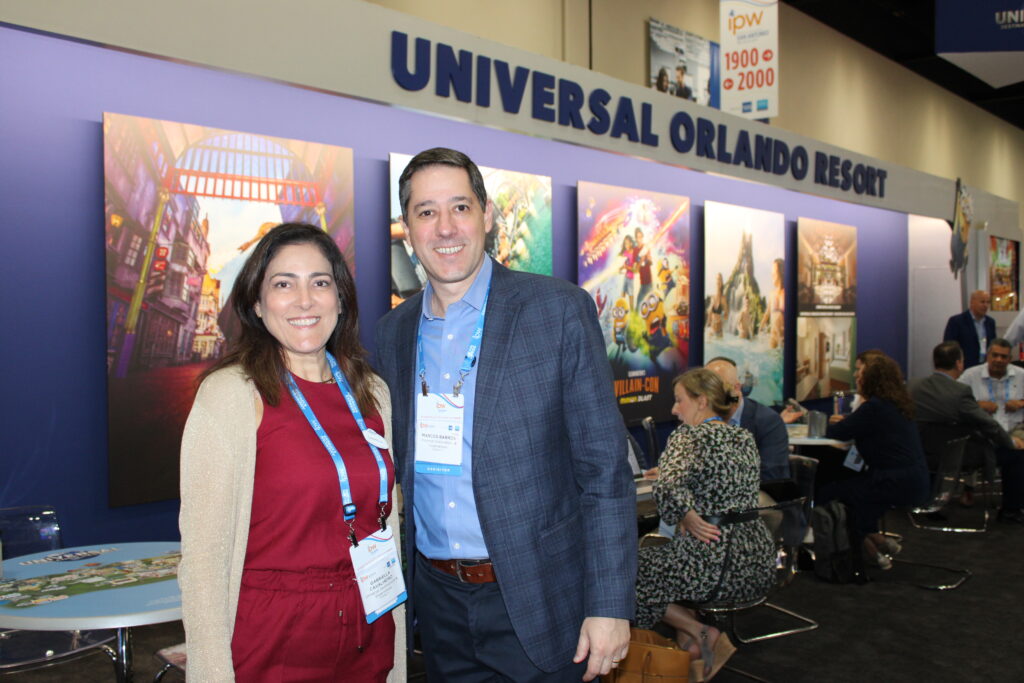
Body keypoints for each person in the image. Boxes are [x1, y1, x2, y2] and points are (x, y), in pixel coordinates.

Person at [374, 148, 636, 682]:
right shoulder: (390, 335)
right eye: (426, 212)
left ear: (487, 215)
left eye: (460, 208)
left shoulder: (556, 311)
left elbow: (604, 473)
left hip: (539, 598)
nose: (445, 228)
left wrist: (610, 605)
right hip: (437, 601)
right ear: (407, 227)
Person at [178, 223, 405, 681]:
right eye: (284, 284)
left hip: (369, 631)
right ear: (257, 304)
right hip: (273, 643)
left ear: (340, 300)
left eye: (320, 283)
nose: (305, 300)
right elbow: (203, 562)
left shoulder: (372, 393)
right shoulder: (231, 396)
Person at [635, 369, 774, 677]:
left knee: (630, 568)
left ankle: (697, 631)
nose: (673, 409)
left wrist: (686, 515)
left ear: (701, 401)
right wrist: (691, 510)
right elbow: (721, 484)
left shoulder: (689, 436)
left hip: (713, 566)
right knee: (669, 564)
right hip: (756, 562)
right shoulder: (743, 437)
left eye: (678, 400)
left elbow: (668, 488)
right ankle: (692, 659)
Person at [824, 352, 930, 568]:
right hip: (912, 479)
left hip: (892, 481)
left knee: (831, 493)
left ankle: (870, 554)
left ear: (871, 379)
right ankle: (879, 542)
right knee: (856, 490)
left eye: (859, 372)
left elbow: (838, 432)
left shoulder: (874, 408)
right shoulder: (896, 403)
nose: (856, 376)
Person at [910, 341, 1024, 523]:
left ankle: (931, 499)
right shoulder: (960, 391)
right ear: (959, 364)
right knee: (1014, 454)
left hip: (921, 453)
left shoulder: (913, 386)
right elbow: (988, 425)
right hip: (956, 456)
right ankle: (1011, 510)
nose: (999, 360)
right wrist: (1010, 442)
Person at [706, 357, 789, 482]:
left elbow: (772, 477)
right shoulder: (702, 418)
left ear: (737, 388)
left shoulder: (768, 421)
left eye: (719, 391)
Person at [958, 338, 1024, 434]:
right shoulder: (970, 375)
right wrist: (977, 406)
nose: (999, 360)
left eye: (1003, 356)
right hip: (981, 432)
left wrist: (1021, 403)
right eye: (995, 355)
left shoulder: (1021, 375)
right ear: (987, 356)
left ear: (1010, 359)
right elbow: (954, 401)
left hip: (1016, 430)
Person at [943, 290, 995, 368]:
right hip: (964, 367)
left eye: (988, 302)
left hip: (985, 367)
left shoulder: (990, 322)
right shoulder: (957, 321)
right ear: (972, 302)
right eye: (982, 302)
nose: (986, 305)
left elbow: (993, 345)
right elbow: (949, 347)